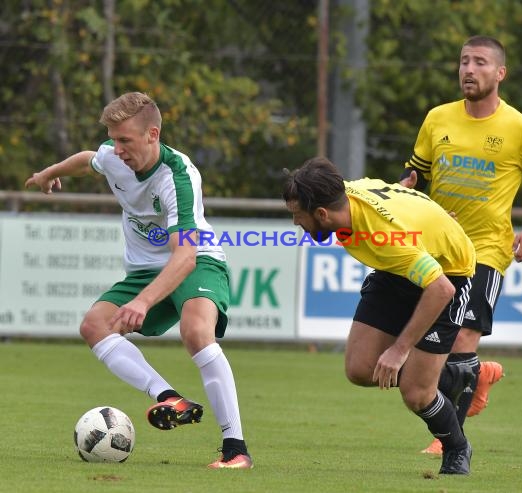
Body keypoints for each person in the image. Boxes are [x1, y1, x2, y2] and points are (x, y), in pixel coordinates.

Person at [25, 92, 253, 469]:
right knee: (94, 326)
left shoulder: (178, 177)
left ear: (153, 134)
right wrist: (51, 173)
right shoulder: (114, 157)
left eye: (125, 140)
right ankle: (169, 397)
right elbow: (87, 160)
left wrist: (144, 302)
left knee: (196, 332)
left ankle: (236, 449)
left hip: (197, 262)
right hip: (145, 270)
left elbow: (185, 257)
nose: (117, 149)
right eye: (113, 139)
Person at [400, 35, 522, 454]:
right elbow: (414, 176)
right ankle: (480, 377)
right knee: (415, 350)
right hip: (435, 248)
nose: (468, 70)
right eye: (463, 61)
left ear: (499, 73)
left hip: (486, 250)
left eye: (479, 62)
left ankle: (449, 440)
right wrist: (404, 195)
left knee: (461, 340)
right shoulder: (438, 118)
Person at [283, 157, 478, 475]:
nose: (295, 224)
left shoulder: (385, 236)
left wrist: (400, 350)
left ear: (321, 213)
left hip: (448, 273)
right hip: (397, 269)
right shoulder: (344, 192)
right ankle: (445, 375)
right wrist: (404, 195)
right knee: (360, 369)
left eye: (297, 216)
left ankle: (457, 447)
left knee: (416, 393)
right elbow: (386, 191)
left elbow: (441, 289)